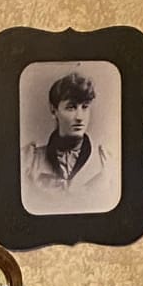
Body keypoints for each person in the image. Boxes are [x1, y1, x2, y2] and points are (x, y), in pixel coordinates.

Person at [20, 70, 119, 215]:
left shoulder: (106, 162)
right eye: (71, 107)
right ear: (54, 111)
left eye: (85, 107)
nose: (79, 117)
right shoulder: (30, 161)